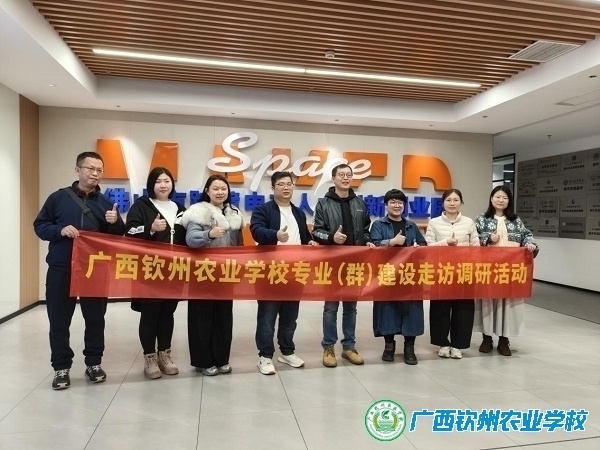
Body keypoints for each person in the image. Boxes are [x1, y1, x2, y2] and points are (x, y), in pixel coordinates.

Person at [33, 151, 125, 390]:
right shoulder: (58, 198)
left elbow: (117, 237)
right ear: (77, 170)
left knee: (95, 319)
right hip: (61, 268)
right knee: (59, 320)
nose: (95, 174)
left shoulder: (107, 203)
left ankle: (93, 363)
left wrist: (115, 222)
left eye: (99, 170)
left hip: (95, 269)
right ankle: (61, 367)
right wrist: (59, 230)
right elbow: (40, 226)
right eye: (90, 169)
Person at [250, 171, 319, 375]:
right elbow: (256, 231)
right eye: (281, 184)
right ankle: (265, 356)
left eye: (289, 184)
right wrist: (276, 235)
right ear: (273, 188)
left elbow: (304, 236)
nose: (286, 187)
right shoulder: (263, 210)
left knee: (290, 316)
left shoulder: (298, 212)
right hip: (270, 272)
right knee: (267, 316)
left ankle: (287, 351)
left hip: (295, 271)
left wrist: (310, 242)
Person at [124, 167, 186, 379]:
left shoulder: (179, 208)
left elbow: (188, 237)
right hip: (149, 269)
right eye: (158, 181)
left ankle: (164, 355)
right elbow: (129, 231)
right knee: (150, 314)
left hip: (174, 270)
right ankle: (149, 357)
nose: (163, 185)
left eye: (167, 181)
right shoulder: (141, 206)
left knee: (167, 314)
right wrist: (150, 228)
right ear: (151, 184)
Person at [312, 163, 376, 367]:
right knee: (330, 308)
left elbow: (366, 229)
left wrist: (367, 240)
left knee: (351, 307)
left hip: (355, 264)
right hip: (332, 264)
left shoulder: (360, 203)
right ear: (333, 178)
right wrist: (332, 237)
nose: (345, 178)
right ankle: (328, 347)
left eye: (349, 174)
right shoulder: (323, 203)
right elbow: (316, 231)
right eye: (341, 175)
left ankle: (349, 347)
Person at [180, 174, 244, 376]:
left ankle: (222, 358)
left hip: (225, 274)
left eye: (223, 188)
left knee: (224, 318)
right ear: (207, 191)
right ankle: (203, 361)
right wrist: (209, 234)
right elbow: (191, 239)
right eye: (215, 188)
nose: (220, 192)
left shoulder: (234, 213)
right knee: (202, 318)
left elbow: (239, 245)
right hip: (203, 273)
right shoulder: (197, 211)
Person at [474, 186, 538, 356]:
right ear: (491, 198)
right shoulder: (482, 219)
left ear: (509, 201)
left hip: (509, 270)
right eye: (497, 196)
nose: (501, 200)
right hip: (488, 269)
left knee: (507, 304)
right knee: (488, 303)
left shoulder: (515, 220)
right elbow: (472, 239)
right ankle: (487, 338)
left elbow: (527, 235)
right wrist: (488, 238)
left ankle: (504, 340)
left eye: (505, 197)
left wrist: (530, 244)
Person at [370, 189, 427, 365]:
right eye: (393, 202)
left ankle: (409, 347)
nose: (397, 205)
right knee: (387, 310)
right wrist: (391, 242)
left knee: (412, 311)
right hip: (387, 274)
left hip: (409, 274)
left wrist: (419, 247)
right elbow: (373, 245)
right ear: (386, 205)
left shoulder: (411, 225)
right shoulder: (378, 224)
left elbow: (423, 243)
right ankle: (389, 346)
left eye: (400, 202)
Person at [425, 189, 479, 359]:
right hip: (441, 271)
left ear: (461, 202)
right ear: (443, 203)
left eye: (456, 200)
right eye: (448, 200)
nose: (452, 203)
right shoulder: (434, 222)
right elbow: (428, 246)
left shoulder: (469, 222)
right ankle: (443, 343)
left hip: (464, 271)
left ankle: (458, 344)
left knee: (463, 309)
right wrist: (445, 243)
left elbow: (476, 248)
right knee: (440, 308)